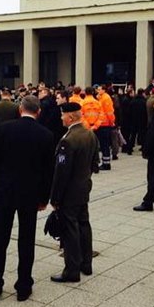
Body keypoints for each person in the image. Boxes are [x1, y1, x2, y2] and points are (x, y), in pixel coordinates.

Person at [0, 95, 55, 302]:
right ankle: (24, 286)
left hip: (5, 191)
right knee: (26, 239)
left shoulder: (4, 130)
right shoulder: (46, 135)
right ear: (39, 112)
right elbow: (48, 172)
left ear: (20, 109)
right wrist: (43, 198)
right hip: (30, 194)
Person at [50, 102, 100, 283]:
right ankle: (86, 263)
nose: (61, 118)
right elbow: (95, 163)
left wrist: (55, 197)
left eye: (62, 115)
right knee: (84, 225)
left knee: (70, 229)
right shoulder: (89, 134)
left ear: (70, 117)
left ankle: (71, 270)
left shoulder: (68, 140)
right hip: (83, 187)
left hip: (69, 192)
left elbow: (61, 173)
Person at [96, 85, 116, 170]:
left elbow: (109, 112)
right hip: (102, 123)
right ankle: (105, 162)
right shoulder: (102, 97)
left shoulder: (106, 98)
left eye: (99, 89)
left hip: (105, 124)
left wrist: (112, 122)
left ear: (104, 90)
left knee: (105, 145)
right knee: (104, 144)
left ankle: (106, 163)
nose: (98, 90)